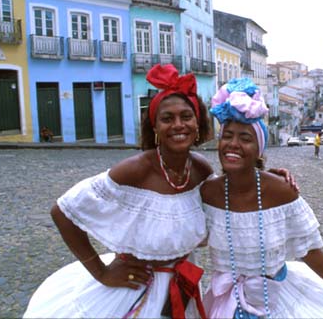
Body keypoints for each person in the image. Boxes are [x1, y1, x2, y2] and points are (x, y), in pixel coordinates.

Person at [23, 65, 296, 319]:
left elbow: (226, 193)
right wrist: (101, 272)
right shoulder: (135, 170)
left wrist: (264, 177)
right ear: (155, 128)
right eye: (167, 118)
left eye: (186, 116)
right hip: (134, 292)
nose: (178, 125)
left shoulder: (199, 169)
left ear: (197, 124)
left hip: (183, 288)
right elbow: (63, 211)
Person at [201, 78, 323, 319]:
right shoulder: (207, 193)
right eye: (227, 136)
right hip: (223, 307)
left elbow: (309, 251)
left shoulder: (281, 191)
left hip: (278, 305)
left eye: (245, 138)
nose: (233, 144)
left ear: (259, 149)